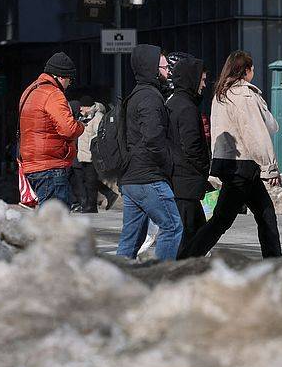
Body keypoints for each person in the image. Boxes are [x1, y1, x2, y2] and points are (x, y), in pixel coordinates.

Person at [183, 51, 282, 258]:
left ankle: (274, 260)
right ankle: (187, 257)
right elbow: (255, 133)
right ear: (246, 70)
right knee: (224, 220)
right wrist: (270, 167)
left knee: (264, 214)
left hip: (230, 163)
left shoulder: (221, 94)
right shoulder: (244, 95)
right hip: (244, 165)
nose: (253, 72)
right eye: (252, 69)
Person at [115, 44, 185, 261]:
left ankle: (116, 275)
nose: (168, 73)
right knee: (172, 227)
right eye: (164, 68)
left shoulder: (136, 95)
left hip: (132, 178)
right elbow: (154, 138)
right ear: (152, 69)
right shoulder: (150, 98)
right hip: (148, 177)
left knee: (131, 239)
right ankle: (161, 275)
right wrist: (168, 163)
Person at [18, 52, 85, 206]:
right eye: (70, 79)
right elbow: (69, 129)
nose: (69, 84)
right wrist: (81, 126)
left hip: (32, 164)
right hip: (50, 165)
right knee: (55, 216)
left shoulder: (29, 90)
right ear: (61, 77)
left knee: (48, 214)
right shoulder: (53, 94)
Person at [166, 55, 212, 259]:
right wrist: (204, 167)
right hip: (186, 182)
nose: (204, 85)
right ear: (191, 79)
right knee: (191, 237)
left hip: (180, 181)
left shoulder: (174, 102)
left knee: (195, 236)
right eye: (202, 80)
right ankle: (182, 272)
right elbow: (192, 145)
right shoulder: (186, 107)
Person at [74, 95, 114, 213]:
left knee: (91, 181)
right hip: (83, 155)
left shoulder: (97, 117)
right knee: (87, 180)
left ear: (88, 107)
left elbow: (100, 135)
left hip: (92, 155)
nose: (80, 109)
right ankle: (91, 202)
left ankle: (91, 206)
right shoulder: (83, 117)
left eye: (82, 106)